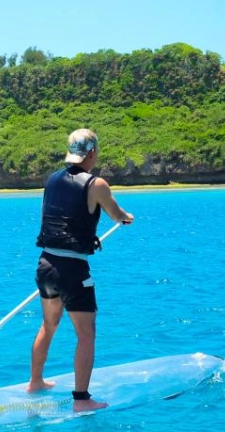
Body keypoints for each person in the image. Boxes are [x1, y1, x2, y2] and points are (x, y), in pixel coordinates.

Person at [27, 128, 134, 412]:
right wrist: (127, 217)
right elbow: (116, 214)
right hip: (72, 269)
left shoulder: (52, 179)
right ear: (92, 152)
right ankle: (82, 400)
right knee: (86, 334)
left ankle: (35, 382)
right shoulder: (97, 184)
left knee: (49, 324)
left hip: (46, 264)